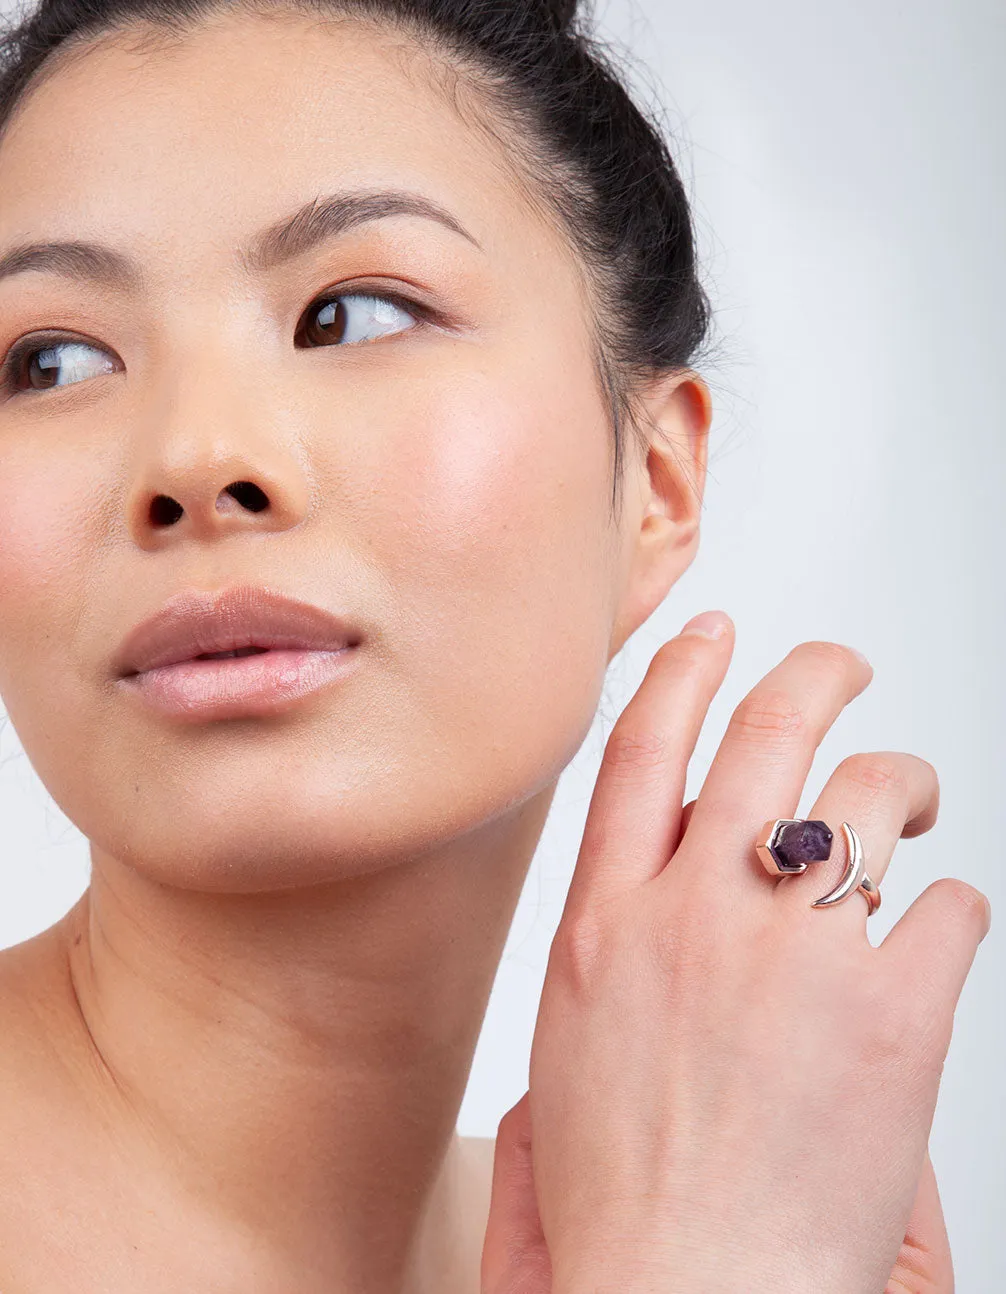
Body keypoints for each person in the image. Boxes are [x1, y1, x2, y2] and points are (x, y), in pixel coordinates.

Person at [0, 0, 990, 1289]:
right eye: (53, 359)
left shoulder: (697, 1210)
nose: (193, 462)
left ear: (657, 480)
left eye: (351, 313)